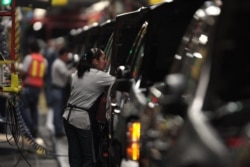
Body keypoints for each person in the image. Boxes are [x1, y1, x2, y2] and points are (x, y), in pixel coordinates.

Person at [62, 48, 115, 167]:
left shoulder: (77, 73)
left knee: (75, 157)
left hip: (67, 117)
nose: (106, 62)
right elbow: (119, 83)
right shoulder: (99, 76)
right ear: (95, 61)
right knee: (89, 159)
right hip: (82, 120)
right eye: (103, 59)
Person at [20, 38, 48, 138]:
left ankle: (31, 126)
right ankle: (34, 130)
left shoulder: (29, 58)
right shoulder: (44, 60)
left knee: (22, 107)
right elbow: (44, 73)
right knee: (34, 109)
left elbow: (23, 71)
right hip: (38, 87)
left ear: (30, 49)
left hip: (28, 86)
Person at [51, 46, 72, 137]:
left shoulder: (59, 63)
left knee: (58, 110)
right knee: (57, 111)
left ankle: (58, 129)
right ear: (63, 55)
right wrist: (74, 72)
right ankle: (58, 131)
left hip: (58, 90)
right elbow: (66, 74)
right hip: (57, 90)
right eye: (66, 55)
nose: (67, 58)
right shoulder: (59, 64)